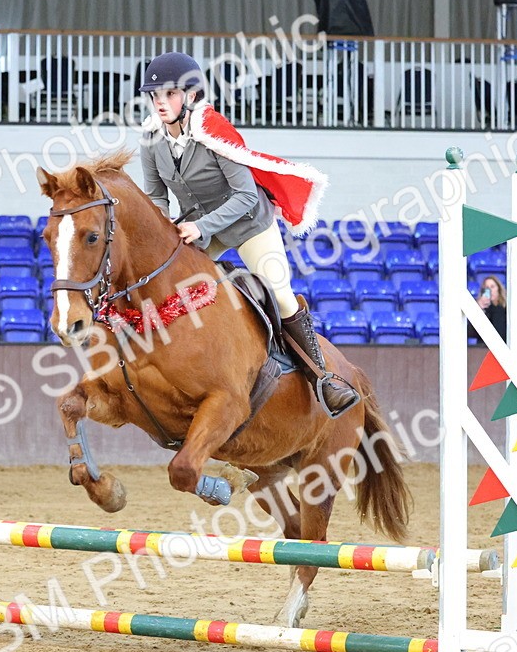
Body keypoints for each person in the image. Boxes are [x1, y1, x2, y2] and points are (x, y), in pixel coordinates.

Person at [137, 51, 359, 418]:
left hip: (248, 222)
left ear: (190, 96)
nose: (160, 103)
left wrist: (200, 227)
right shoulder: (151, 139)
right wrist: (166, 233)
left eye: (169, 94)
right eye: (155, 96)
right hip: (201, 226)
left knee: (281, 294)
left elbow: (243, 195)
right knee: (172, 286)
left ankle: (323, 379)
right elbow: (156, 195)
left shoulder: (214, 133)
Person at [472, 275, 507, 341]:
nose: (490, 290)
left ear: (498, 288)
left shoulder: (507, 307)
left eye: (492, 287)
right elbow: (472, 333)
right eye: (487, 288)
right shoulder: (483, 309)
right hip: (484, 348)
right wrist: (480, 310)